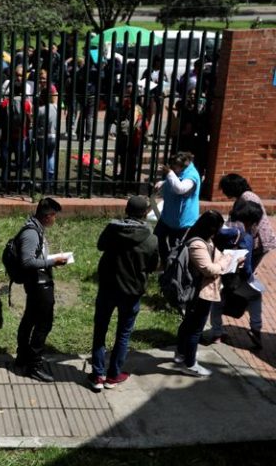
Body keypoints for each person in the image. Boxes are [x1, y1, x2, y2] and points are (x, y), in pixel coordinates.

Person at [88, 197, 159, 392]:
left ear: (126, 210)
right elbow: (152, 265)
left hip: (108, 288)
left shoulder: (112, 230)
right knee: (123, 333)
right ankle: (113, 375)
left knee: (100, 330)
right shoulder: (151, 239)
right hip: (132, 291)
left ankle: (97, 375)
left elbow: (100, 246)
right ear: (145, 214)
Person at [175, 211, 237, 377]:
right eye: (218, 227)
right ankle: (190, 364)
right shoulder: (197, 244)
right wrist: (227, 260)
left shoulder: (204, 239)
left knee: (188, 323)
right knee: (195, 329)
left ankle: (181, 354)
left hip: (201, 290)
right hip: (199, 293)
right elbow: (208, 269)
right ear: (211, 228)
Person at [15, 198, 68, 382]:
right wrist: (53, 262)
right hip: (39, 286)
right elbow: (27, 261)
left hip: (38, 283)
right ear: (48, 216)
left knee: (30, 319)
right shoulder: (31, 233)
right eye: (55, 216)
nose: (55, 220)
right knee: (43, 324)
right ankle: (34, 365)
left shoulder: (35, 227)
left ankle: (22, 357)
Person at [208, 200, 265, 348]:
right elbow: (246, 268)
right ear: (252, 221)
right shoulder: (246, 237)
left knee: (217, 304)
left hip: (216, 276)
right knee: (255, 296)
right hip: (235, 280)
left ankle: (217, 334)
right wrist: (249, 276)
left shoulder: (219, 231)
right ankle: (256, 329)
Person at [218, 173, 276, 271]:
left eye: (225, 189)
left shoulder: (247, 197)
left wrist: (245, 241)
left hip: (259, 241)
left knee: (246, 269)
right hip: (253, 239)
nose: (223, 192)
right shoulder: (242, 197)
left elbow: (254, 222)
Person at [153, 152, 201, 265]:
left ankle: (172, 271)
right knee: (157, 237)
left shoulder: (191, 176)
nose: (173, 170)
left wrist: (169, 173)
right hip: (168, 216)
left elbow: (180, 188)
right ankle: (165, 262)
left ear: (183, 166)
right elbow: (177, 179)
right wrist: (163, 183)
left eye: (174, 167)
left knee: (175, 246)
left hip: (181, 221)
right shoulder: (181, 172)